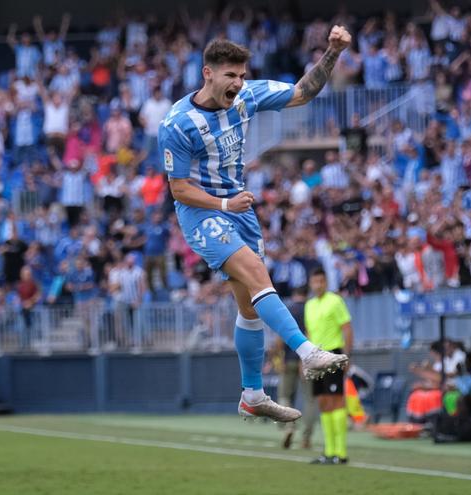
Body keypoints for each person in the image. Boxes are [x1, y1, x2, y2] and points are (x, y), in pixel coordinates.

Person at [158, 29, 353, 423]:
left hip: (239, 209)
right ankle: (306, 351)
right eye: (230, 75)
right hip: (203, 212)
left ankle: (252, 394)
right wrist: (223, 203)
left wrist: (332, 52)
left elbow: (303, 92)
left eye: (242, 75)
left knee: (248, 306)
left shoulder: (247, 96)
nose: (238, 83)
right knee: (255, 271)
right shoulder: (178, 124)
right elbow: (178, 189)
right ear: (207, 73)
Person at [305, 268, 353, 464]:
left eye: (321, 281)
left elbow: (347, 328)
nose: (318, 285)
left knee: (336, 400)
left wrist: (346, 356)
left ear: (326, 282)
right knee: (323, 402)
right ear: (311, 283)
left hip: (333, 354)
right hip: (316, 358)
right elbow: (308, 333)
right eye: (315, 281)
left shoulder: (335, 301)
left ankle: (341, 453)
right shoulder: (309, 305)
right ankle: (329, 450)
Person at [278, 285, 315, 451]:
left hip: (289, 359)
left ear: (294, 294)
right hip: (307, 359)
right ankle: (306, 439)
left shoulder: (288, 310)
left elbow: (281, 336)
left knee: (285, 396)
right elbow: (311, 334)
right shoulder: (312, 309)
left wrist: (278, 357)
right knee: (309, 399)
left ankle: (289, 426)